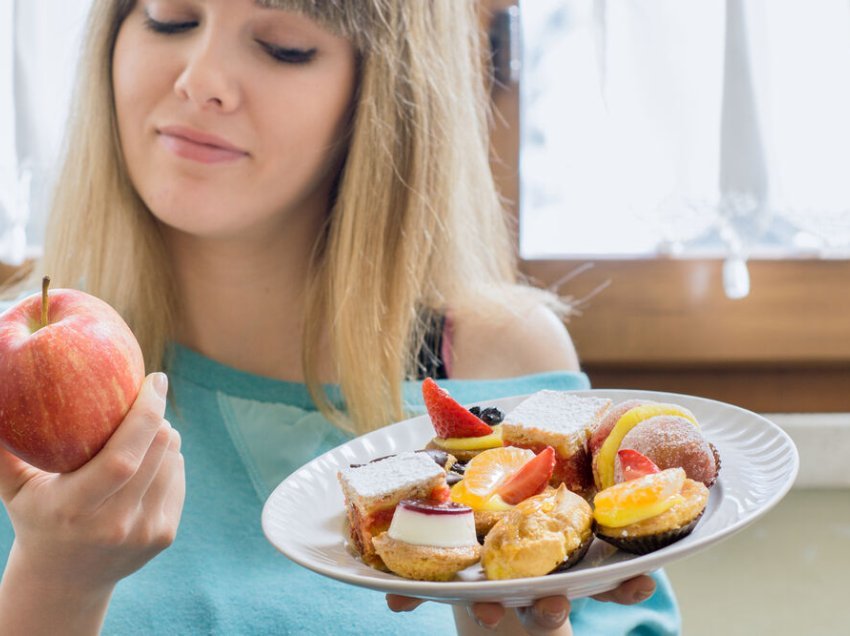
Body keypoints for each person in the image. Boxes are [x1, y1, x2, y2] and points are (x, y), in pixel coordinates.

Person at [0, 1, 680, 634]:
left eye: (283, 46)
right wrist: (56, 583)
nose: (200, 78)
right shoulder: (14, 384)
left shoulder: (501, 363)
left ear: (382, 93)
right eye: (169, 18)